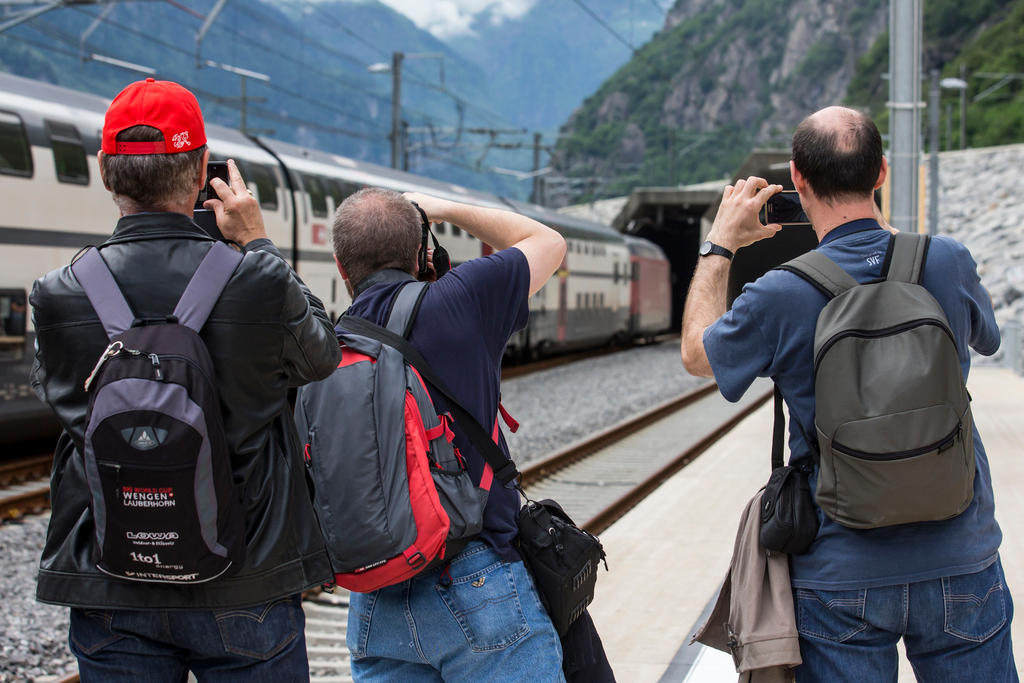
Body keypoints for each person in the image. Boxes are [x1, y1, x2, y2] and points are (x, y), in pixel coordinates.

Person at [680, 106, 1016, 681]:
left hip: (839, 575)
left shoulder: (778, 293)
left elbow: (695, 355)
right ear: (881, 173)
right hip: (960, 558)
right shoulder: (948, 261)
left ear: (797, 179)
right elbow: (989, 338)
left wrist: (720, 245)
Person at [30, 78, 340, 681]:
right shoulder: (258, 280)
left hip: (109, 577)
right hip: (245, 576)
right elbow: (320, 358)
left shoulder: (58, 292)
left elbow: (61, 398)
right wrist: (259, 244)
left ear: (104, 172)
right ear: (202, 171)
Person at [328, 187, 567, 682]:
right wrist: (444, 208)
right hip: (475, 574)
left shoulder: (328, 342)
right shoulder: (462, 298)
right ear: (421, 252)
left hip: (375, 594)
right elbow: (547, 241)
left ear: (340, 267)